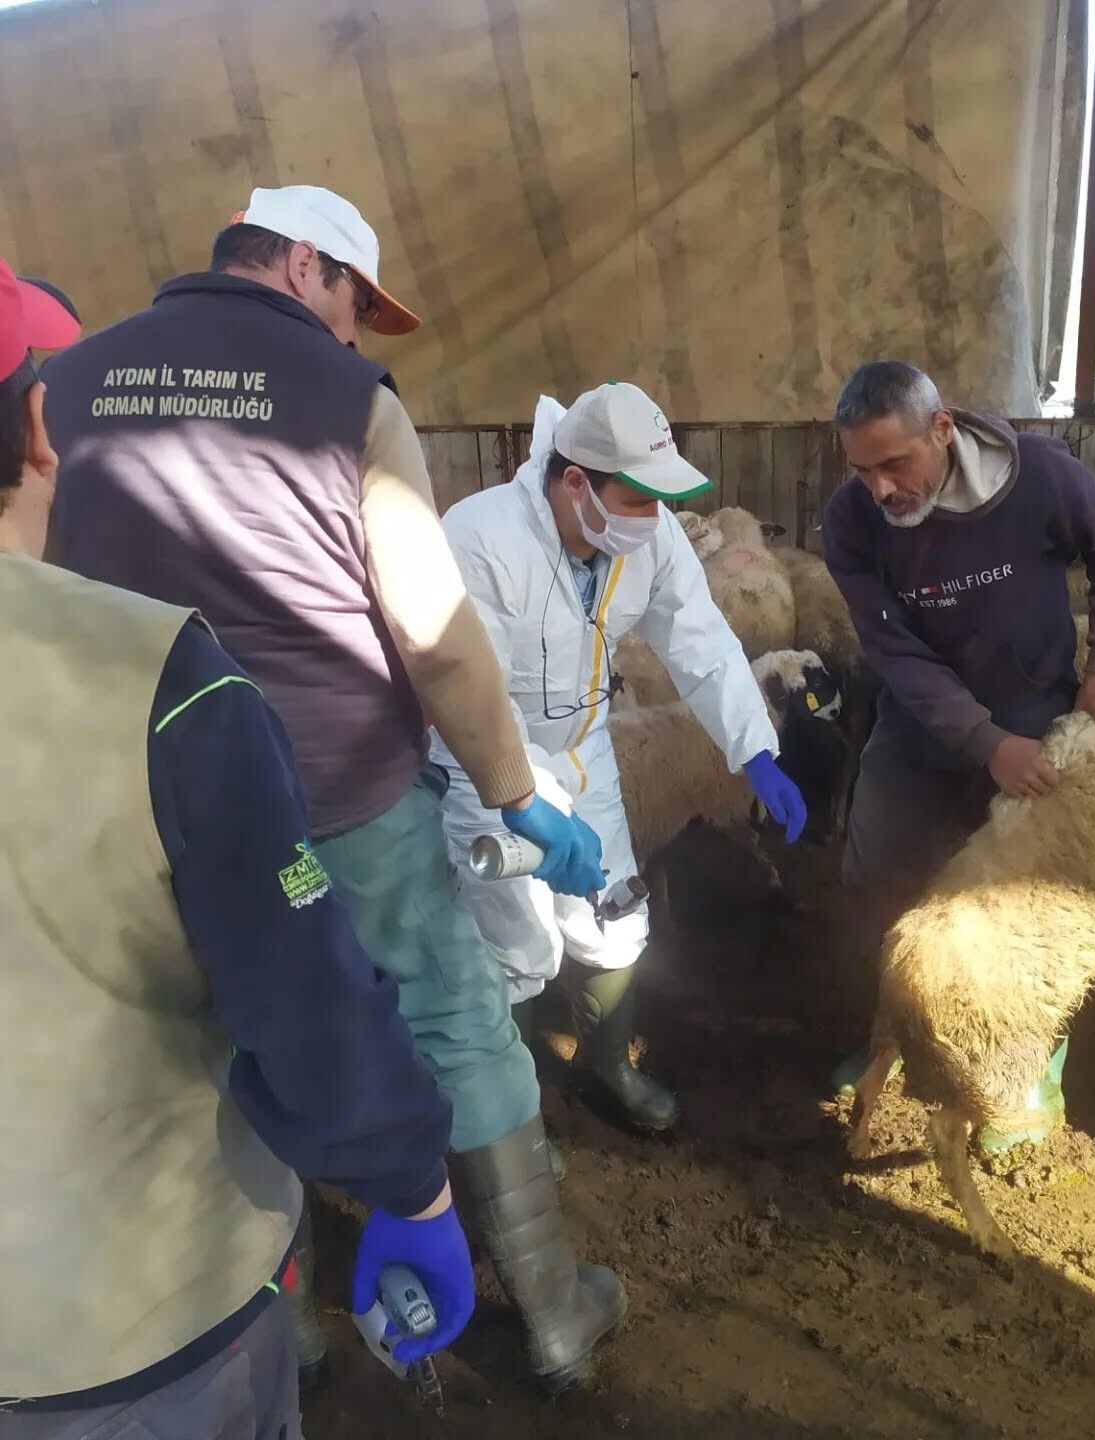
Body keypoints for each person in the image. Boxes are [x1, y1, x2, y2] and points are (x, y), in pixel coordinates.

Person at [40, 187, 623, 1393]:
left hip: (143, 792)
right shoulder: (344, 399)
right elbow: (438, 633)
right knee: (456, 1021)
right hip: (341, 790)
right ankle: (558, 1317)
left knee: (215, 1038)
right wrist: (517, 795)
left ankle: (286, 1329)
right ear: (305, 265)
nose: (355, 333)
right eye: (356, 300)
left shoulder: (63, 384)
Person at [0, 255, 473, 1434]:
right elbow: (301, 995)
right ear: (41, 425)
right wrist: (410, 1187)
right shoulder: (161, 682)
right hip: (126, 1331)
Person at [435, 383, 809, 1132]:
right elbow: (471, 690)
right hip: (485, 763)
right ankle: (507, 1116)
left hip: (584, 748)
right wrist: (525, 803)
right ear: (576, 482)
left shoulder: (648, 535)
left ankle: (607, 1065)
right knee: (514, 942)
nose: (653, 519)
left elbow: (698, 638)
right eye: (636, 500)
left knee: (616, 917)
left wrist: (754, 749)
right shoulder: (480, 538)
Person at [822, 361, 1095, 1138]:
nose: (879, 487)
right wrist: (982, 740)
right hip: (922, 719)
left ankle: (1033, 1070)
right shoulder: (851, 520)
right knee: (881, 871)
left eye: (894, 463)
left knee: (1037, 898)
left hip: (1034, 706)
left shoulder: (1035, 477)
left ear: (942, 430)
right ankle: (892, 1036)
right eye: (861, 469)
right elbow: (891, 648)